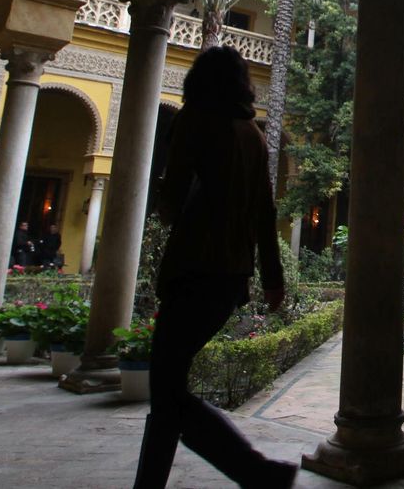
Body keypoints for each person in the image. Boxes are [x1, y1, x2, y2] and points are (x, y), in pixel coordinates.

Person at [133, 45, 295, 489]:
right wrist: (274, 279)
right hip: (231, 276)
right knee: (168, 391)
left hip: (193, 268)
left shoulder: (195, 120)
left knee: (167, 390)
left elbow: (170, 203)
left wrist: (172, 199)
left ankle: (259, 472)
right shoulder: (254, 135)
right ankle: (257, 473)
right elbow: (265, 211)